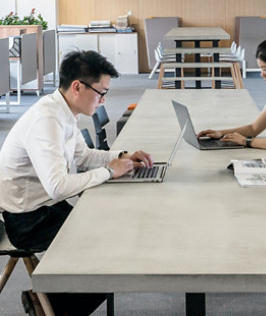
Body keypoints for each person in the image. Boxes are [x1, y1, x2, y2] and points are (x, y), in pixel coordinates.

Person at [0, 50, 153, 316]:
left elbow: (82, 156)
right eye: (101, 92)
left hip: (46, 208)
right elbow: (58, 186)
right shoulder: (46, 120)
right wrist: (109, 172)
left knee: (116, 235)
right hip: (27, 220)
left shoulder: (62, 110)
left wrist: (121, 156)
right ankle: (53, 307)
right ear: (77, 86)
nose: (104, 99)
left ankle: (49, 303)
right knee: (112, 250)